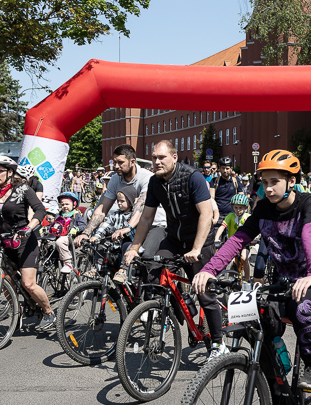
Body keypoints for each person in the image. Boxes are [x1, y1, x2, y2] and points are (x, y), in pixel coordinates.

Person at [193, 149, 311, 389]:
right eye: (264, 182)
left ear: (291, 181)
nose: (268, 189)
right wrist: (210, 270)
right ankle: (276, 391)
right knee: (255, 321)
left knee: (300, 311)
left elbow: (310, 234)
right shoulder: (263, 209)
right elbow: (238, 240)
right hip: (281, 279)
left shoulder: (308, 203)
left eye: (274, 182)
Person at [123, 139, 225, 360]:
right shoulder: (155, 183)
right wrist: (134, 248)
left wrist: (197, 248)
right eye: (154, 158)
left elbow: (206, 214)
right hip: (174, 239)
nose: (157, 162)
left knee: (204, 293)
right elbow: (147, 216)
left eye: (162, 157)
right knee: (152, 265)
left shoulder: (193, 177)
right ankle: (178, 308)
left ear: (175, 157)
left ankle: (218, 343)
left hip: (199, 241)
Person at [0, 155, 55, 331]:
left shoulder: (23, 189)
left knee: (28, 284)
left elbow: (40, 210)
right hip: (4, 242)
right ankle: (16, 309)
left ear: (10, 172)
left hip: (25, 242)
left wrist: (29, 228)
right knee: (7, 280)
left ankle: (49, 312)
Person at [74, 144, 166, 259]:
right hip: (129, 226)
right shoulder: (115, 179)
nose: (116, 166)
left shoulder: (147, 178)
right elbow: (102, 208)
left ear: (132, 162)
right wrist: (86, 233)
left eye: (120, 162)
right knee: (104, 249)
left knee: (145, 257)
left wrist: (127, 228)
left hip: (154, 224)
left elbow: (140, 207)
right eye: (114, 162)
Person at [89, 187, 137, 283]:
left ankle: (122, 270)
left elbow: (134, 231)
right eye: (118, 201)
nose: (119, 203)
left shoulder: (134, 216)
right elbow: (105, 226)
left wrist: (123, 233)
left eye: (122, 201)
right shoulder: (115, 215)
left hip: (126, 242)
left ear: (130, 201)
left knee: (127, 246)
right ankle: (97, 267)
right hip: (113, 243)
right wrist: (97, 236)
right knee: (101, 244)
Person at [214, 193, 251, 281]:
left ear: (245, 208)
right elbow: (222, 227)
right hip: (232, 243)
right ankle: (219, 277)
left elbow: (254, 229)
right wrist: (216, 238)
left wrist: (254, 239)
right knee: (223, 257)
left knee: (244, 258)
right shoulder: (230, 216)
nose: (238, 210)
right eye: (236, 207)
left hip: (245, 243)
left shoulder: (248, 217)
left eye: (241, 208)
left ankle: (247, 279)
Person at [51, 191, 87, 274]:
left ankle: (68, 263)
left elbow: (83, 226)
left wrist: (76, 229)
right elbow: (53, 225)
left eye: (67, 204)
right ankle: (51, 263)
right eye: (62, 205)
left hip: (70, 238)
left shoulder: (76, 215)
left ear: (74, 204)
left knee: (60, 242)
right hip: (58, 236)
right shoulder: (59, 215)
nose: (64, 206)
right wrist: (46, 228)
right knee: (45, 242)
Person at [209, 156, 244, 223]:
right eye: (223, 168)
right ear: (219, 168)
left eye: (227, 168)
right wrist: (214, 215)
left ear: (231, 168)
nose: (225, 171)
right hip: (218, 216)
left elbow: (241, 198)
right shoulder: (214, 181)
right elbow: (211, 198)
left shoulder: (236, 181)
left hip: (232, 215)